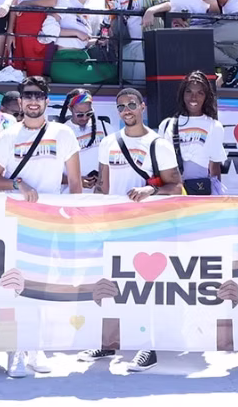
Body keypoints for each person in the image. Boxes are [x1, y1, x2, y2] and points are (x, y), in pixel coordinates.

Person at [81, 88, 182, 372]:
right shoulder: (109, 142)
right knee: (110, 284)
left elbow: (176, 185)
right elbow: (103, 185)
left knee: (144, 288)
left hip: (147, 226)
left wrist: (151, 189)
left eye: (131, 104)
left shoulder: (158, 144)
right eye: (121, 106)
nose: (126, 110)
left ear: (142, 106)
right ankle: (108, 342)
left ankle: (148, 347)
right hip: (113, 225)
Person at [0, 76, 81, 377]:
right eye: (28, 95)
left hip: (49, 223)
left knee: (41, 286)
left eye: (39, 95)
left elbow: (75, 184)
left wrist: (72, 221)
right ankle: (14, 351)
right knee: (15, 286)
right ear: (21, 100)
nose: (33, 101)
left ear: (47, 100)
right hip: (14, 221)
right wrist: (18, 183)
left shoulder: (63, 133)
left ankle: (35, 347)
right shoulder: (8, 136)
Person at [103, 0, 170, 84]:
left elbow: (167, 4)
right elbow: (108, 23)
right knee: (127, 84)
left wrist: (151, 11)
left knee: (142, 84)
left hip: (146, 44)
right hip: (125, 46)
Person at [157, 71, 226, 195]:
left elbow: (215, 168)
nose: (194, 98)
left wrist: (216, 197)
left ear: (206, 97)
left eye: (200, 93)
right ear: (182, 94)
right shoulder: (167, 124)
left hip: (200, 193)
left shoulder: (214, 126)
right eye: (189, 92)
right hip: (172, 193)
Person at [50, 0, 112, 84]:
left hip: (81, 58)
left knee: (111, 70)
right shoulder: (65, 2)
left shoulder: (86, 8)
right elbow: (48, 29)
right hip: (65, 61)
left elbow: (80, 41)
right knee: (111, 73)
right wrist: (76, 32)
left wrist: (97, 41)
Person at [58, 88, 111, 193]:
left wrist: (102, 178)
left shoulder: (105, 127)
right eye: (80, 114)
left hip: (100, 196)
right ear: (70, 108)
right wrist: (77, 181)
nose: (84, 118)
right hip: (72, 196)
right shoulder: (61, 132)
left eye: (89, 113)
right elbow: (50, 174)